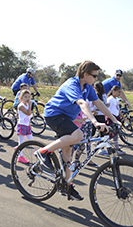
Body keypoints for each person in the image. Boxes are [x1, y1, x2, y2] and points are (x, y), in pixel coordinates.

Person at [34, 61, 120, 201]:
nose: (96, 79)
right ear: (85, 74)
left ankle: (66, 185)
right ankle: (43, 152)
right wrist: (94, 121)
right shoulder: (72, 84)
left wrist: (115, 120)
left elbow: (99, 103)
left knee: (68, 152)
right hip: (54, 114)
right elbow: (82, 103)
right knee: (78, 135)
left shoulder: (88, 87)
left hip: (67, 118)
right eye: (94, 76)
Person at [71, 103, 98, 168]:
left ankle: (76, 161)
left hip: (79, 128)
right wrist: (80, 120)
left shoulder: (80, 108)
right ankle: (68, 163)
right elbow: (70, 118)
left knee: (82, 145)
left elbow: (84, 114)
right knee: (72, 147)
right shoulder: (73, 107)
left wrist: (88, 116)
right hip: (73, 129)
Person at [105, 85, 126, 155]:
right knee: (111, 134)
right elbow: (106, 109)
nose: (119, 94)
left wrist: (123, 117)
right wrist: (110, 117)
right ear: (113, 92)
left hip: (116, 117)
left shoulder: (116, 99)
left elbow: (118, 109)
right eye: (118, 92)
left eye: (120, 92)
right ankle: (99, 143)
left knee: (116, 134)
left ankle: (117, 149)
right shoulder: (110, 99)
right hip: (111, 118)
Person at [15, 89, 32, 164]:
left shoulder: (27, 104)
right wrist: (30, 105)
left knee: (31, 140)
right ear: (21, 98)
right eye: (25, 97)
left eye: (28, 97)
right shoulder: (20, 106)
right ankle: (20, 157)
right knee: (21, 143)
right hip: (21, 125)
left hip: (27, 125)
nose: (27, 98)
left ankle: (37, 153)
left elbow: (28, 116)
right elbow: (28, 113)